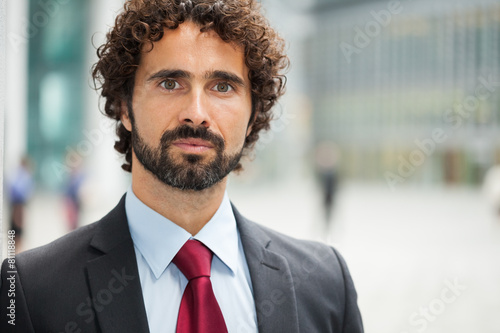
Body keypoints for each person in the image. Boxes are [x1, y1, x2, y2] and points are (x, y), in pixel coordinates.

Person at [0, 1, 363, 332]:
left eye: (222, 86)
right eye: (171, 83)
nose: (197, 113)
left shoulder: (326, 283)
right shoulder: (30, 290)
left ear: (253, 117)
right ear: (125, 107)